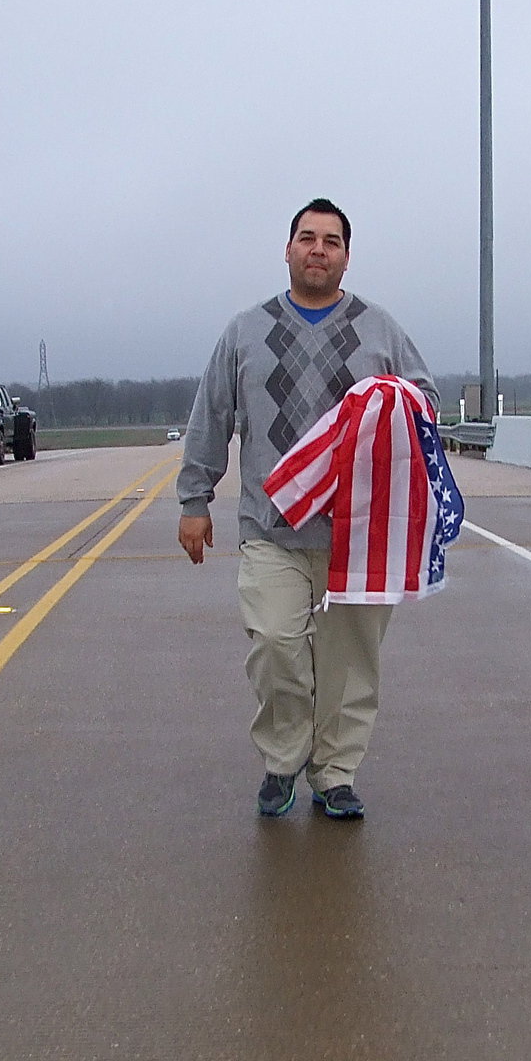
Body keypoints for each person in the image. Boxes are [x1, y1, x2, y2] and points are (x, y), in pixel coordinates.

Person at [177, 198, 439, 819]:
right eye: (307, 238)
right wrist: (195, 498)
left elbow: (424, 399)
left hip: (358, 533)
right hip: (270, 526)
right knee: (274, 643)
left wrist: (393, 403)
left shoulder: (380, 328)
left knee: (351, 664)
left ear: (347, 257)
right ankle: (281, 760)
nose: (318, 249)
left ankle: (335, 773)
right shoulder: (245, 330)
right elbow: (212, 416)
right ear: (288, 250)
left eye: (331, 241)